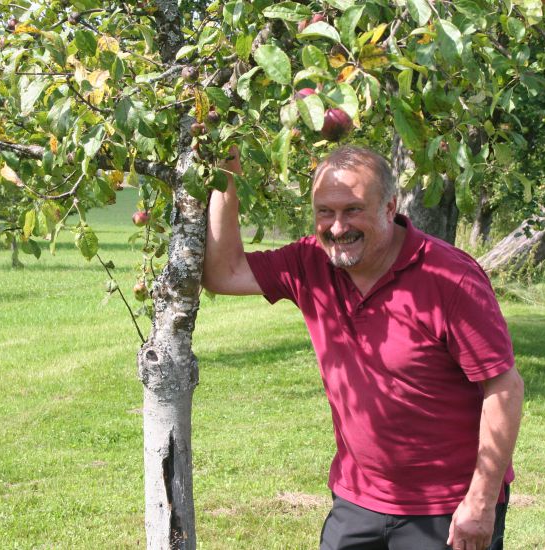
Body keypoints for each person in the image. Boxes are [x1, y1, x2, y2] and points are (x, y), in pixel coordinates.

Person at [203, 145, 524, 550]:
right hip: (357, 500)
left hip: (446, 507)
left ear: (389, 207)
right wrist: (225, 168)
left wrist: (480, 501)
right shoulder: (310, 263)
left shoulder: (449, 277)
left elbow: (505, 388)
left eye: (353, 210)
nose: (337, 228)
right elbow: (223, 273)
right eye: (325, 212)